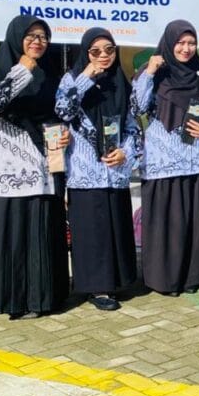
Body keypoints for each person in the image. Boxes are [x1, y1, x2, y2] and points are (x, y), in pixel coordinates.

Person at [0, 15, 70, 319]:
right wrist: (21, 72)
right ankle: (13, 298)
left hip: (43, 166)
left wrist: (64, 132)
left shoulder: (50, 74)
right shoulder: (5, 71)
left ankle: (42, 298)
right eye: (31, 36)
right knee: (14, 233)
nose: (38, 42)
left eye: (43, 36)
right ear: (16, 38)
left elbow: (60, 113)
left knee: (40, 231)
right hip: (9, 168)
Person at [55, 27, 140, 311]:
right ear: (85, 53)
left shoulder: (120, 82)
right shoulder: (71, 79)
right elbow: (63, 111)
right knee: (92, 230)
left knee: (116, 227)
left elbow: (132, 127)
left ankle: (118, 281)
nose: (103, 56)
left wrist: (125, 152)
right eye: (95, 51)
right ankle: (95, 287)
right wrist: (86, 77)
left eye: (109, 50)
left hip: (115, 171)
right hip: (85, 172)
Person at [131, 20, 199, 296]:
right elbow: (138, 107)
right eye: (180, 43)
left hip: (194, 158)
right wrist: (149, 73)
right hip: (163, 160)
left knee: (193, 221)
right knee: (167, 222)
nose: (186, 49)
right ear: (169, 43)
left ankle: (191, 277)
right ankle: (165, 280)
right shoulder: (153, 72)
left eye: (191, 43)